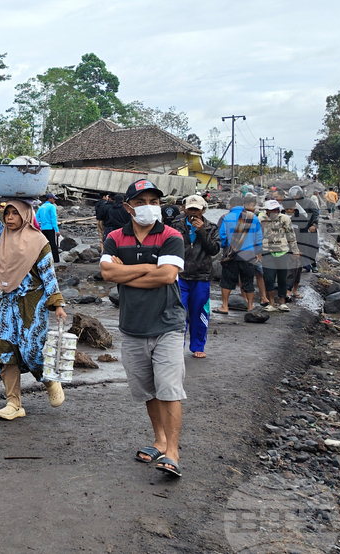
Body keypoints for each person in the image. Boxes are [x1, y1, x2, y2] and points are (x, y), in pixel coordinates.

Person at [100, 179, 187, 478]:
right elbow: (106, 272)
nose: (148, 207)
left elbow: (166, 276)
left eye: (153, 201)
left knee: (169, 388)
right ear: (128, 207)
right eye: (140, 202)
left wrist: (124, 274)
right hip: (133, 327)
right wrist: (148, 267)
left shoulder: (171, 236)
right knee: (148, 390)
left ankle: (173, 453)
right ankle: (159, 441)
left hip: (167, 325)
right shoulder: (114, 237)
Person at [0, 164, 67, 420]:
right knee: (5, 351)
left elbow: (49, 275)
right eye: (7, 213)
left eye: (15, 213)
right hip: (8, 302)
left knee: (32, 350)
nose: (9, 217)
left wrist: (57, 304)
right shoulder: (1, 236)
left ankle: (49, 379)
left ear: (26, 214)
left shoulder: (39, 241)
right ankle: (14, 403)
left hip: (33, 302)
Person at [170, 195, 220, 358]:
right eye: (190, 209)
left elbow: (214, 249)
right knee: (179, 313)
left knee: (200, 313)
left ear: (203, 210)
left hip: (202, 276)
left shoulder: (211, 227)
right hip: (180, 275)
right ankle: (178, 345)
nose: (193, 213)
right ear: (184, 209)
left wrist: (202, 231)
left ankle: (198, 346)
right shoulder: (176, 225)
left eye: (196, 210)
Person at [215, 196, 263, 313]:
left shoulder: (226, 217)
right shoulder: (253, 217)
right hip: (249, 255)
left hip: (231, 255)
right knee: (248, 282)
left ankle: (225, 306)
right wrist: (258, 252)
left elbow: (221, 236)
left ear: (230, 205)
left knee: (227, 281)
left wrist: (226, 247)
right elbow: (259, 237)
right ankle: (250, 306)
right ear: (243, 205)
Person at [259, 200, 299, 312]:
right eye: (272, 210)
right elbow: (257, 236)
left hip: (282, 251)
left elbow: (291, 236)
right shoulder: (261, 220)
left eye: (276, 210)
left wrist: (295, 251)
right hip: (267, 251)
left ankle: (282, 302)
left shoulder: (285, 219)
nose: (274, 212)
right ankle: (271, 303)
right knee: (269, 278)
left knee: (282, 278)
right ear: (267, 211)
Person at [36, 192, 61, 263]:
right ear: (50, 199)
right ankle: (56, 260)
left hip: (43, 229)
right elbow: (53, 218)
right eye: (53, 199)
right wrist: (57, 230)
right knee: (53, 244)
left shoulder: (41, 207)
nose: (54, 201)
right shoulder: (52, 207)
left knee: (44, 245)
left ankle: (43, 259)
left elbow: (37, 218)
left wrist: (37, 228)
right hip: (50, 228)